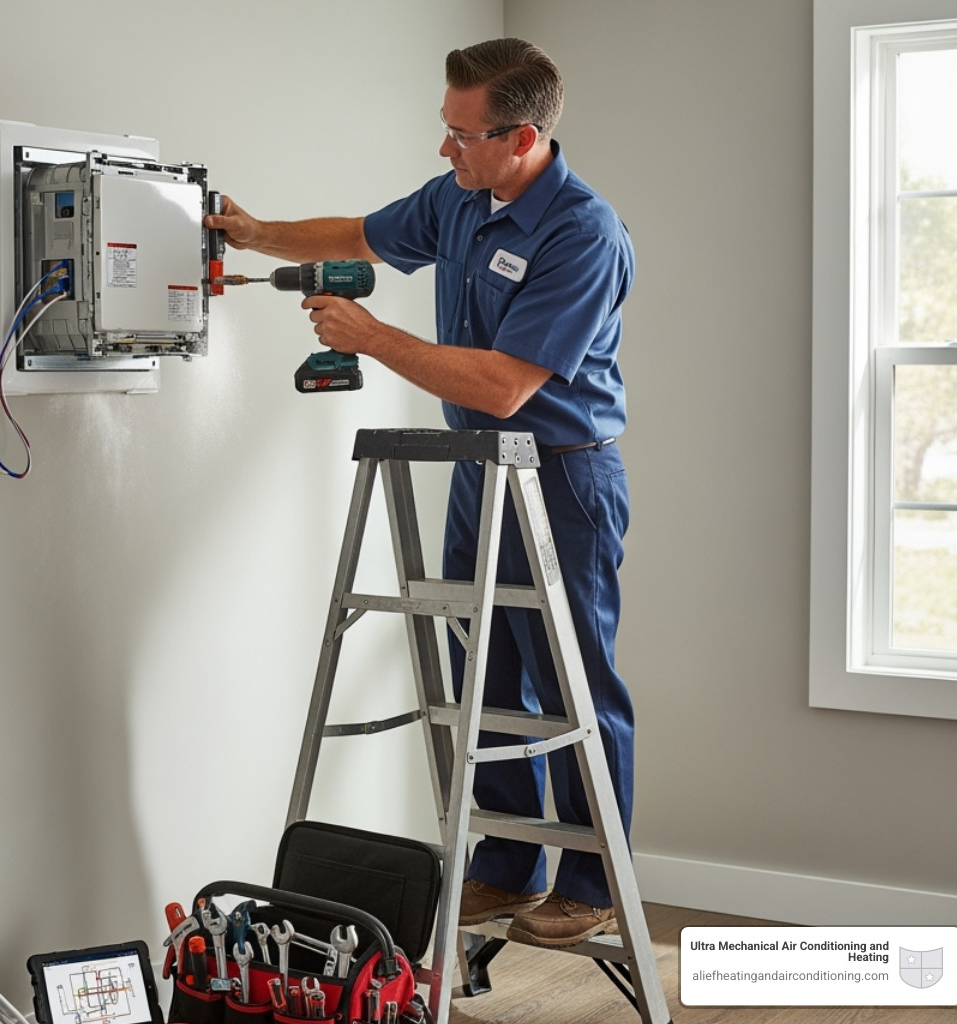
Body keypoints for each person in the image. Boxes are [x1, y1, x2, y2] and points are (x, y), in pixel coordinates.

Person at [205, 38, 635, 949]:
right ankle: (508, 865)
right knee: (484, 664)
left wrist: (371, 337)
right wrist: (257, 234)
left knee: (572, 678)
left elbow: (504, 385)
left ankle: (593, 879)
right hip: (481, 468)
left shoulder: (582, 232)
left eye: (462, 134)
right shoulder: (461, 200)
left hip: (560, 474)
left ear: (520, 138)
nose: (445, 151)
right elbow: (361, 235)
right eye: (445, 130)